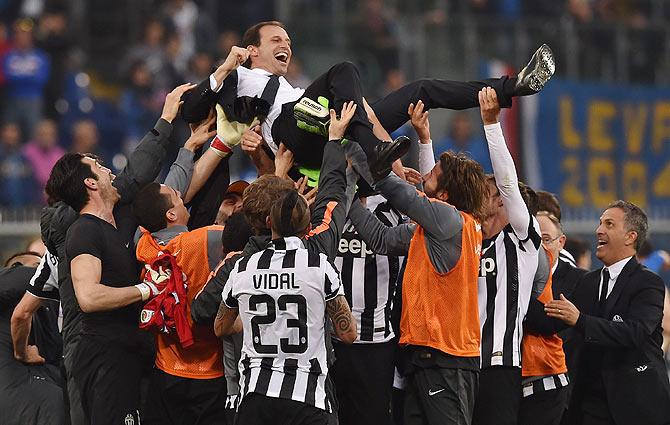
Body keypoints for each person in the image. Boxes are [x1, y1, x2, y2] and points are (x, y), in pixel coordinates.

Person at [181, 21, 554, 172]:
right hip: (292, 136)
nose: (286, 46)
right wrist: (226, 66)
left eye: (289, 42)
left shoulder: (294, 82)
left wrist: (381, 141)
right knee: (342, 70)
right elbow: (191, 109)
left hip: (327, 124)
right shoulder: (237, 76)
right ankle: (373, 150)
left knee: (420, 89)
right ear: (251, 49)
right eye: (277, 40)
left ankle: (513, 85)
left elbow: (360, 110)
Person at [43, 82, 196, 424]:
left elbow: (159, 190)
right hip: (100, 356)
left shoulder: (115, 224)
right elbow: (89, 296)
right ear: (91, 184)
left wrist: (193, 147)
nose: (110, 171)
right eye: (100, 167)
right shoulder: (82, 229)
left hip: (125, 353)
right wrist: (146, 290)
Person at [214, 187, 358, 425]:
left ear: (269, 222)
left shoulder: (243, 267)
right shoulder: (319, 267)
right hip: (307, 397)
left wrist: (254, 319)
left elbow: (220, 327)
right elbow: (349, 334)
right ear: (309, 228)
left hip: (255, 396)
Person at [542, 201, 670, 425]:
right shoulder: (588, 281)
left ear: (630, 237)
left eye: (609, 224)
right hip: (591, 404)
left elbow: (635, 332)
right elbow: (551, 320)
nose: (599, 230)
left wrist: (580, 320)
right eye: (600, 223)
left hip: (638, 404)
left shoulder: (649, 283)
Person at [473, 88, 544, 425]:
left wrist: (491, 125)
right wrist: (425, 140)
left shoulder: (522, 240)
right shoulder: (467, 237)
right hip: (461, 360)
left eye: (487, 193)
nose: (478, 198)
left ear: (501, 201)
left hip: (500, 366)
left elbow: (507, 181)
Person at [132, 181, 228, 424]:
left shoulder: (144, 246)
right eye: (176, 195)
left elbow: (146, 221)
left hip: (165, 371)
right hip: (210, 372)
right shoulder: (207, 239)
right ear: (171, 214)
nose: (181, 195)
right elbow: (249, 231)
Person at [518, 212, 574, 425]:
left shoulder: (577, 279)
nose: (538, 246)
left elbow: (547, 321)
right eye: (534, 238)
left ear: (561, 242)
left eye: (545, 239)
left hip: (546, 372)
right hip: (510, 372)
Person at [0, 254, 64, 425]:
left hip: (47, 408)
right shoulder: (10, 276)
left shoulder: (46, 318)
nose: (42, 269)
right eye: (39, 264)